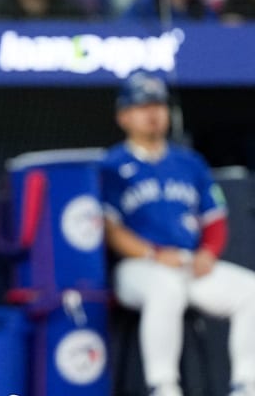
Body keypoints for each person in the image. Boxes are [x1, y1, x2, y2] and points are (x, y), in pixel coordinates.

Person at [102, 72, 255, 396]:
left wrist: (208, 253)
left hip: (187, 262)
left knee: (251, 290)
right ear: (124, 116)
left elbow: (214, 219)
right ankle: (164, 387)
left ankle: (246, 385)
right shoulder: (111, 165)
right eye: (143, 106)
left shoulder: (190, 163)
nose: (153, 113)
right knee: (165, 289)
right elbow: (110, 229)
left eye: (158, 105)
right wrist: (153, 255)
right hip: (137, 266)